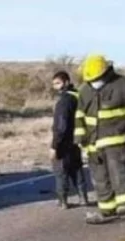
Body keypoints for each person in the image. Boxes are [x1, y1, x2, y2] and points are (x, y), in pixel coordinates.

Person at [74, 54, 125, 224]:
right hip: (92, 143)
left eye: (97, 78)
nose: (94, 82)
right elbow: (80, 115)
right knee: (99, 176)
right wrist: (79, 136)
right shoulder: (85, 90)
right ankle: (107, 207)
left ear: (106, 73)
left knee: (119, 171)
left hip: (116, 138)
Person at [50, 70, 89, 208]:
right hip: (78, 139)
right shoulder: (79, 96)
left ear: (66, 82)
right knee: (77, 169)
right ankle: (83, 197)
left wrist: (55, 145)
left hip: (65, 141)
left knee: (61, 171)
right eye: (54, 84)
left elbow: (61, 125)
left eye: (58, 83)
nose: (56, 87)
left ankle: (63, 200)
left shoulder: (64, 101)